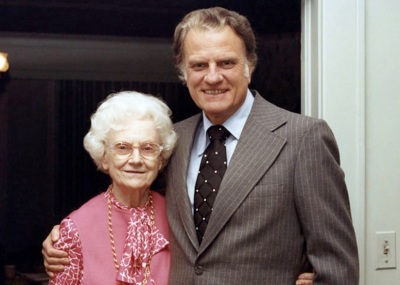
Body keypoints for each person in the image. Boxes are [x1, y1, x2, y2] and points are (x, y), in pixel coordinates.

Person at [43, 6, 359, 284]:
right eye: (198, 65)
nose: (212, 77)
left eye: (226, 63)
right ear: (183, 72)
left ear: (249, 65)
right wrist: (64, 238)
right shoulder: (172, 141)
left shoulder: (303, 138)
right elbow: (134, 201)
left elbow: (337, 267)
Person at [47, 91, 177, 284]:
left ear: (160, 159)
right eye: (122, 148)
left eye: (147, 148)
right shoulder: (75, 229)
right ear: (104, 157)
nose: (135, 160)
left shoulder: (179, 219)